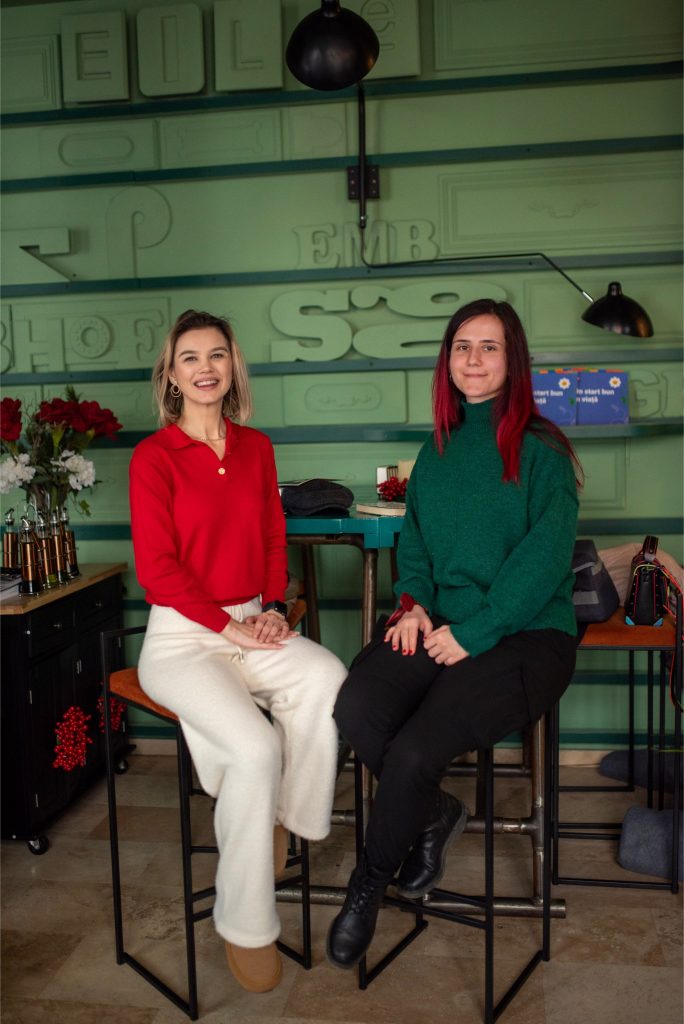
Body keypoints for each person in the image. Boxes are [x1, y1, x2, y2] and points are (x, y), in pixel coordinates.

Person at [327, 298, 582, 969]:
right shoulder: (435, 448)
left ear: (512, 359)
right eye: (462, 346)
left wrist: (476, 631)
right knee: (357, 707)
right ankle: (435, 813)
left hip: (527, 636)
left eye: (489, 346)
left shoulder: (544, 450)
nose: (473, 359)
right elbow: (414, 542)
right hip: (442, 624)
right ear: (447, 360)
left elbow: (543, 560)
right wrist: (412, 605)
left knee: (415, 748)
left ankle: (367, 885)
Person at [129, 309, 347, 993]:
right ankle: (246, 922)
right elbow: (158, 572)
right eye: (189, 358)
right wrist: (230, 630)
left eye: (216, 355)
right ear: (171, 374)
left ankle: (283, 817)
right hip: (182, 638)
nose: (205, 368)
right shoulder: (153, 457)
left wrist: (273, 607)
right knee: (253, 748)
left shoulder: (256, 447)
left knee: (327, 675)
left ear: (232, 366)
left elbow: (274, 536)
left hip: (254, 621)